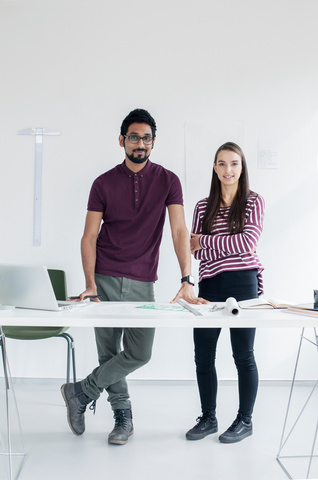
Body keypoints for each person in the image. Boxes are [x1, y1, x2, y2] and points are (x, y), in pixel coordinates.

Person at [61, 108, 203, 445]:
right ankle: (123, 418)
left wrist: (187, 278)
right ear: (122, 140)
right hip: (105, 275)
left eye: (147, 138)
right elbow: (89, 237)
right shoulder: (103, 183)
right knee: (108, 354)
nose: (141, 143)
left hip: (142, 280)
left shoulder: (168, 181)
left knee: (140, 353)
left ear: (154, 142)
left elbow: (180, 230)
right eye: (134, 137)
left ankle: (80, 392)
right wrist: (91, 284)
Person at [185, 141, 265, 444]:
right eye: (221, 163)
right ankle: (208, 418)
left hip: (244, 283)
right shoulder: (202, 206)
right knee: (203, 356)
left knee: (243, 355)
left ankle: (245, 420)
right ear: (214, 168)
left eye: (233, 163)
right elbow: (195, 252)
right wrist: (207, 243)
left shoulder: (253, 201)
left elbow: (247, 243)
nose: (227, 169)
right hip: (210, 285)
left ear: (241, 167)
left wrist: (206, 240)